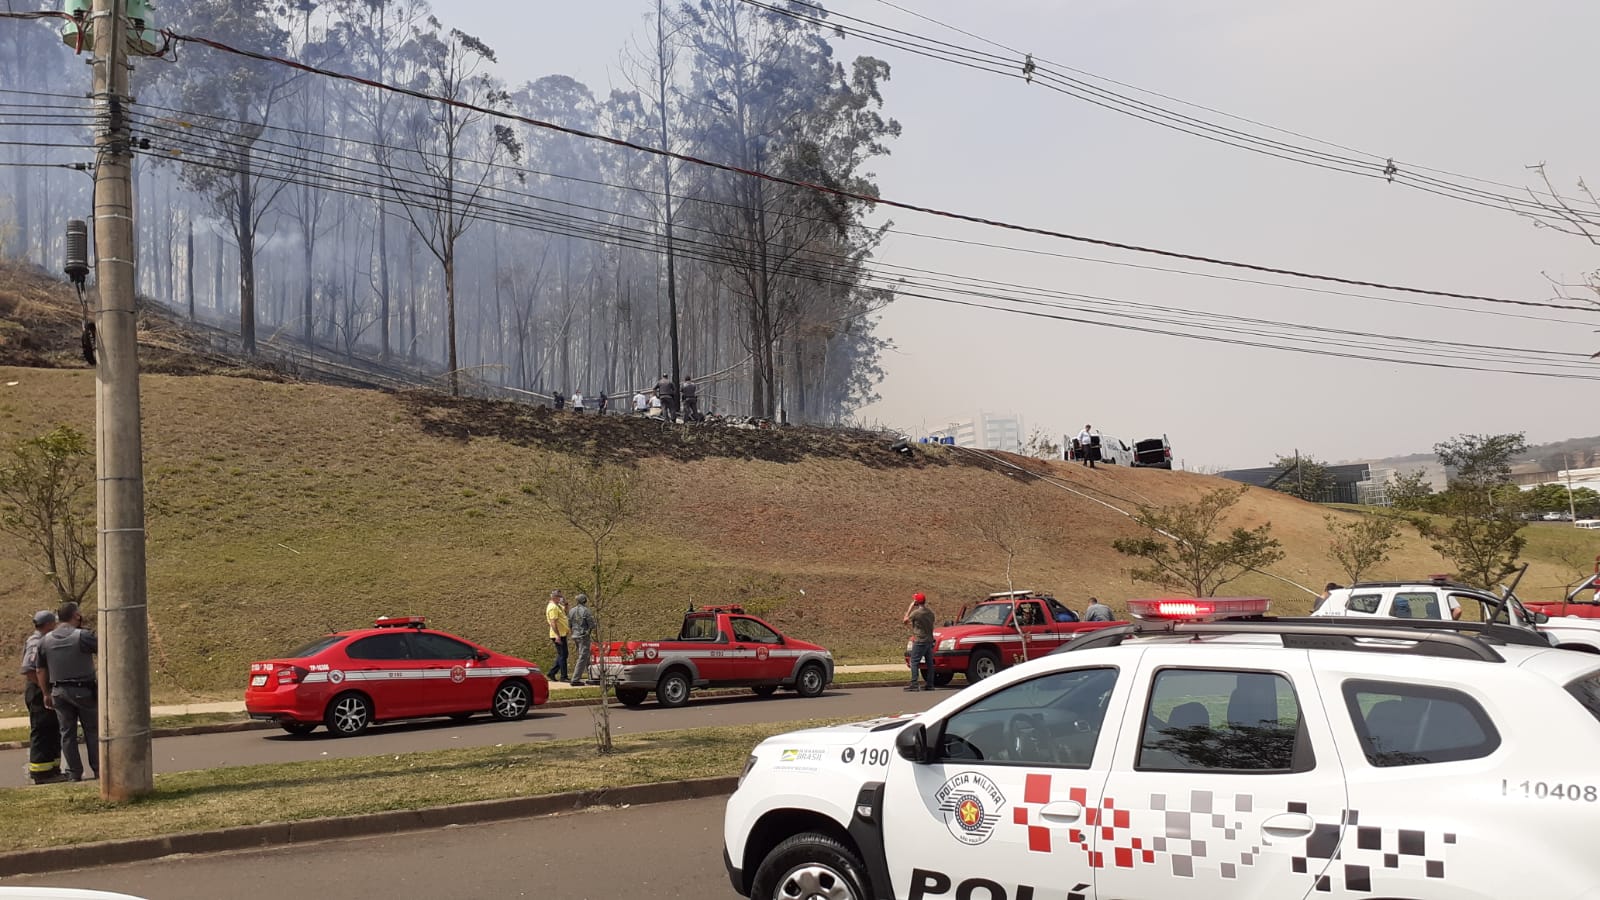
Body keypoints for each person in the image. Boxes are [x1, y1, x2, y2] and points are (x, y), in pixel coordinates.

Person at [36, 601, 98, 782]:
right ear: (76, 616)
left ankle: (74, 773)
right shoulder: (83, 636)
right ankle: (99, 770)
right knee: (92, 732)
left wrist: (46, 693)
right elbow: (106, 649)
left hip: (59, 691)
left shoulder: (45, 641)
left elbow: (40, 670)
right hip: (83, 690)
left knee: (67, 734)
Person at [19, 610, 63, 785]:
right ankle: (41, 773)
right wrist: (45, 690)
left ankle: (52, 770)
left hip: (44, 689)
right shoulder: (36, 642)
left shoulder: (44, 640)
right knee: (42, 730)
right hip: (38, 692)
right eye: (54, 623)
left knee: (52, 730)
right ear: (48, 624)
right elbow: (29, 670)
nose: (56, 626)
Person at [904, 592, 936, 691]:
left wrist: (910, 608)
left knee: (914, 662)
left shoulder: (916, 613)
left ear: (916, 602)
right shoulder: (930, 613)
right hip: (929, 640)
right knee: (929, 663)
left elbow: (905, 621)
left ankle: (914, 684)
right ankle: (930, 684)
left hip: (919, 640)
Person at [567, 593, 597, 686]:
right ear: (585, 601)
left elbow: (569, 623)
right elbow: (591, 624)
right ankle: (575, 679)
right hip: (583, 636)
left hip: (575, 635)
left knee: (586, 656)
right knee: (583, 656)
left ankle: (592, 676)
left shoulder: (571, 611)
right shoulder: (586, 611)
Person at [545, 590, 570, 683]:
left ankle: (552, 672)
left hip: (562, 633)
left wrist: (566, 604)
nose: (561, 598)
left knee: (563, 654)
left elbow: (566, 612)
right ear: (554, 597)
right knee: (563, 655)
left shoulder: (558, 606)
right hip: (557, 634)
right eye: (559, 597)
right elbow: (553, 622)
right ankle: (563, 676)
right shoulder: (552, 607)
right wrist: (557, 636)